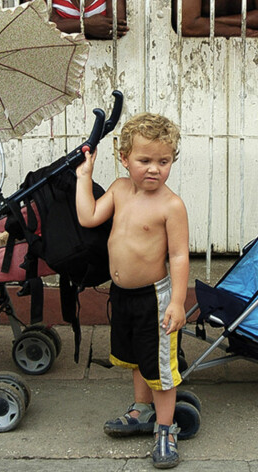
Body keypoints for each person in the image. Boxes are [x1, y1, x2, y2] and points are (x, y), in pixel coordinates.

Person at [75, 113, 190, 469]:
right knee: (136, 358)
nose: (154, 169)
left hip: (154, 300)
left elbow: (179, 255)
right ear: (124, 159)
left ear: (172, 160)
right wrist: (84, 177)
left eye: (163, 161)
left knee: (159, 366)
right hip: (121, 295)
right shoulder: (120, 189)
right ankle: (141, 412)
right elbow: (89, 217)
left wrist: (178, 301)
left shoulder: (171, 205)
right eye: (144, 160)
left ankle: (166, 429)